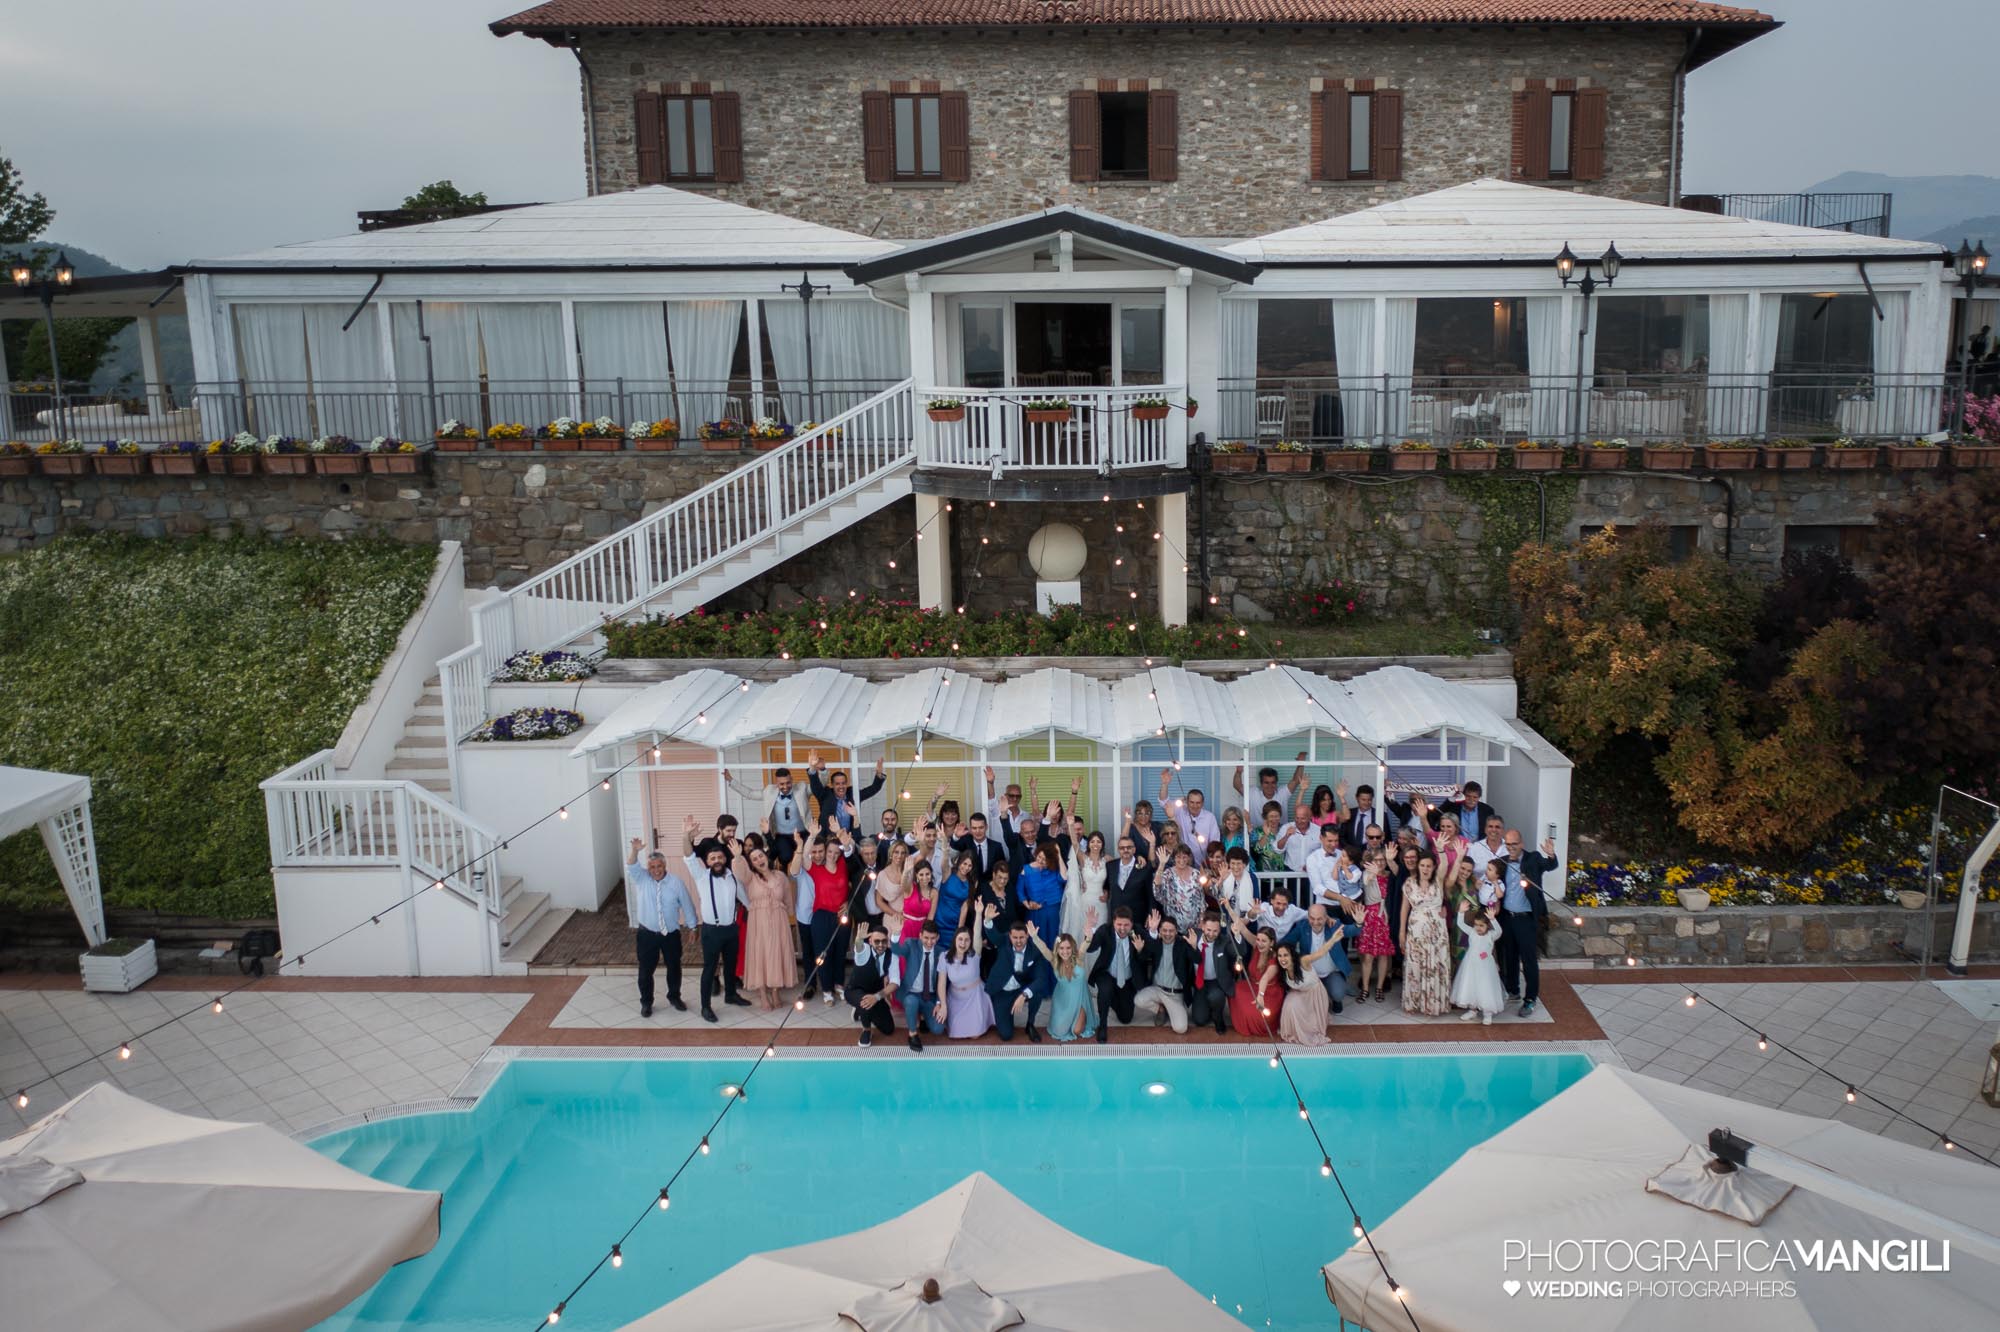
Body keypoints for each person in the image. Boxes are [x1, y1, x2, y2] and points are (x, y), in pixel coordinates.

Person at [681, 817, 752, 1022]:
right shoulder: (701, 876)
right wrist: (686, 836)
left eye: (720, 857)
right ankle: (705, 1007)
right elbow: (688, 855)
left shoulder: (732, 876)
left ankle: (730, 995)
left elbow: (746, 900)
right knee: (709, 968)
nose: (717, 861)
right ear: (708, 861)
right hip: (711, 931)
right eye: (712, 859)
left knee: (730, 965)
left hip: (731, 930)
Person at [626, 838, 696, 1017]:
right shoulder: (642, 879)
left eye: (659, 866)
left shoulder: (676, 882)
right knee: (645, 971)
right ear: (648, 868)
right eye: (652, 867)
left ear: (665, 866)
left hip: (670, 934)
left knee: (674, 967)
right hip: (647, 934)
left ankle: (674, 997)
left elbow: (687, 905)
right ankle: (646, 1002)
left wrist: (693, 927)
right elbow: (632, 865)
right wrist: (635, 851)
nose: (656, 870)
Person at [1497, 829, 1562, 1018]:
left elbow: (1550, 865)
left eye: (1514, 844)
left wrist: (1551, 854)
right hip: (1507, 918)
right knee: (1509, 957)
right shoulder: (1502, 862)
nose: (1511, 848)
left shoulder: (1532, 859)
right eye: (1508, 844)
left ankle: (1530, 999)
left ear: (1522, 844)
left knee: (1529, 961)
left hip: (1526, 919)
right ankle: (1513, 990)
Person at [737, 820, 802, 1009]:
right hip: (759, 924)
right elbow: (739, 871)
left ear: (766, 855)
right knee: (761, 955)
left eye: (760, 856)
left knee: (776, 954)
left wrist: (791, 919)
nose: (758, 860)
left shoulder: (780, 876)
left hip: (779, 922)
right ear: (752, 864)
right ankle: (763, 993)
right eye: (754, 859)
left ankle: (775, 991)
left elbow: (788, 900)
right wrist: (737, 857)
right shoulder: (750, 879)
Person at [722, 765, 811, 869]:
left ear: (792, 779)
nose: (785, 786)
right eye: (781, 784)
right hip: (782, 835)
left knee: (808, 857)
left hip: (803, 832)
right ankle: (783, 876)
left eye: (788, 782)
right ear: (776, 783)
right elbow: (750, 794)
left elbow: (819, 786)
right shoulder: (769, 791)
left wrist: (816, 770)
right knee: (784, 857)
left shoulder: (802, 788)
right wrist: (731, 780)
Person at [1398, 848, 1452, 1018]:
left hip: (1437, 933)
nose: (1425, 869)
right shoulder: (1409, 883)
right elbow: (1404, 908)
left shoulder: (1438, 881)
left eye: (1429, 866)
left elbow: (1444, 865)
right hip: (1416, 932)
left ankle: (1434, 1003)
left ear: (1433, 867)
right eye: (1422, 865)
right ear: (1418, 866)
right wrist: (1401, 932)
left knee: (1436, 966)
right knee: (1416, 966)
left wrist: (1442, 850)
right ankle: (1415, 1002)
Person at [805, 829, 855, 1006]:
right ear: (824, 852)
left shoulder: (842, 864)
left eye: (836, 852)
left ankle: (838, 984)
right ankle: (826, 990)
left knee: (840, 952)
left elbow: (850, 850)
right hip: (821, 916)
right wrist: (811, 836)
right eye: (830, 852)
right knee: (823, 954)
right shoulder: (816, 869)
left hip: (841, 916)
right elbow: (804, 857)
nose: (833, 855)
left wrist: (847, 903)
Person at [1283, 899, 1359, 1013]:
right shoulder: (1302, 927)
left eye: (1319, 919)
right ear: (1308, 917)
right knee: (1308, 1006)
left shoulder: (1333, 924)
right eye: (1312, 918)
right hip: (1309, 974)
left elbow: (1350, 931)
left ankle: (1336, 998)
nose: (1315, 922)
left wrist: (1358, 923)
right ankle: (1320, 995)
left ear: (1326, 917)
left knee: (1338, 993)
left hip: (1331, 973)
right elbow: (1287, 942)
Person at [1086, 907, 1149, 1044]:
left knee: (1126, 1018)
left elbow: (1150, 954)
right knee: (1105, 991)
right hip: (1106, 974)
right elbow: (1090, 949)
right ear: (1113, 922)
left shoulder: (1136, 932)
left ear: (1131, 924)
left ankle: (1112, 998)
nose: (1122, 928)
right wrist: (1090, 930)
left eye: (1126, 925)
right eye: (1119, 924)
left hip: (1127, 979)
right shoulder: (1105, 931)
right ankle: (1102, 1025)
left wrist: (1141, 950)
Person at [1130, 910, 1196, 1034]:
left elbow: (1196, 958)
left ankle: (1169, 1009)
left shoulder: (1182, 944)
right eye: (1164, 930)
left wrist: (1193, 947)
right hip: (1157, 990)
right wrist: (1140, 949)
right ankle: (1160, 1009)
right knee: (1138, 999)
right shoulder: (1157, 944)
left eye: (1171, 931)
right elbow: (1145, 955)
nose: (1167, 934)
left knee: (1181, 1028)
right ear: (1160, 931)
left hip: (1175, 995)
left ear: (1176, 931)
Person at [1027, 924, 1095, 1041]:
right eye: (1062, 948)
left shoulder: (1079, 957)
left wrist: (1089, 937)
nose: (1065, 951)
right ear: (1057, 949)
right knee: (1059, 1031)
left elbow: (1085, 945)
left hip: (1080, 998)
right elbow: (1043, 949)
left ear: (1072, 948)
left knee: (1077, 1031)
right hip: (1063, 999)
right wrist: (1035, 937)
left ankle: (1084, 1015)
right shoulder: (1054, 961)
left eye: (1068, 948)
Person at [984, 917, 1047, 1042]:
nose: (1018, 941)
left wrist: (1024, 995)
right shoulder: (1004, 941)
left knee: (1037, 992)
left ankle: (1030, 1024)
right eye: (1015, 937)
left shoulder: (1035, 950)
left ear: (1027, 936)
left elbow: (1041, 978)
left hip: (1020, 989)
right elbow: (993, 935)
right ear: (1009, 936)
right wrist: (987, 920)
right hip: (1001, 991)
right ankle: (1007, 1013)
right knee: (1006, 1035)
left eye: (1022, 937)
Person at [1226, 914, 1285, 1038]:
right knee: (1234, 989)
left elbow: (1265, 978)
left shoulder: (1274, 958)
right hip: (1252, 986)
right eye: (1258, 939)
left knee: (1258, 1015)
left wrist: (1260, 996)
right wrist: (1228, 907)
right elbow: (1242, 927)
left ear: (1272, 942)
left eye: (1264, 941)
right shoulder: (1256, 946)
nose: (1260, 943)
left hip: (1269, 992)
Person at [940, 909, 995, 1039]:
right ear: (955, 940)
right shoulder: (944, 956)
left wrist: (979, 913)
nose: (963, 943)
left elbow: (977, 933)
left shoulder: (974, 954)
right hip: (955, 997)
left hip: (975, 996)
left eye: (966, 940)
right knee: (955, 1034)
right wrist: (943, 1004)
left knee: (975, 1036)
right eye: (960, 939)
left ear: (971, 942)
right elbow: (941, 984)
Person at [1275, 937, 1340, 1047]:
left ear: (1292, 956)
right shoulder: (1282, 969)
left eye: (1286, 955)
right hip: (1300, 993)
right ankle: (1292, 1031)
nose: (1282, 959)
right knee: (1289, 1003)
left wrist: (1333, 939)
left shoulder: (1303, 961)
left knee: (1312, 1027)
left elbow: (1320, 953)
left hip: (1315, 995)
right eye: (1280, 956)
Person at [895, 920, 949, 1050]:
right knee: (912, 1002)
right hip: (911, 993)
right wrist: (896, 934)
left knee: (938, 1029)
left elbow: (942, 983)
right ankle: (912, 1034)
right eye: (926, 938)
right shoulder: (911, 944)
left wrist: (939, 1003)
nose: (929, 942)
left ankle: (924, 1015)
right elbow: (897, 950)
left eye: (933, 938)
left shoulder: (942, 953)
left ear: (938, 937)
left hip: (929, 996)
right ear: (920, 936)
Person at [1452, 904, 1508, 1024]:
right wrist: (1461, 912)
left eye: (1481, 925)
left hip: (1485, 967)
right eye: (1476, 925)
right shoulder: (1472, 932)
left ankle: (1487, 1013)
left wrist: (1493, 919)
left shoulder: (1491, 935)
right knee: (1471, 985)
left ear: (1488, 926)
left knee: (1485, 987)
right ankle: (1472, 1010)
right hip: (1471, 965)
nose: (1478, 928)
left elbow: (1499, 931)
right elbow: (1460, 924)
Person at [1187, 909, 1241, 1033]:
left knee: (1216, 997)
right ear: (1202, 926)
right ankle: (1206, 1007)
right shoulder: (1193, 935)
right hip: (1199, 982)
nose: (1211, 934)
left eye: (1215, 931)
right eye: (1209, 930)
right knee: (1200, 1020)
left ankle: (1218, 1015)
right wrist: (1193, 947)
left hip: (1216, 982)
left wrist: (1237, 936)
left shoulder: (1224, 940)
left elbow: (1239, 952)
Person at [808, 752, 885, 834]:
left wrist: (879, 774)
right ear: (832, 785)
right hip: (829, 839)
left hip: (849, 838)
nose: (841, 786)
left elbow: (873, 789)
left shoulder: (852, 794)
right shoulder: (826, 794)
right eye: (837, 784)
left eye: (843, 783)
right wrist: (812, 769)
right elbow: (816, 787)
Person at [1355, 850, 1396, 1002]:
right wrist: (1373, 872)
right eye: (1377, 860)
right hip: (1371, 916)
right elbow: (1367, 881)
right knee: (1368, 956)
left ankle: (1379, 987)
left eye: (1382, 860)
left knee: (1383, 955)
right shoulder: (1366, 873)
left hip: (1384, 916)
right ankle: (1365, 988)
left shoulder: (1389, 875)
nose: (1380, 863)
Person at [847, 926, 898, 1048]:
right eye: (877, 941)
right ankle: (867, 1030)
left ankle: (860, 1012)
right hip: (855, 990)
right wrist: (859, 939)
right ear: (870, 941)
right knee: (865, 1002)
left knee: (888, 1029)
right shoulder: (864, 951)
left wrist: (877, 996)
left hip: (876, 993)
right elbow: (858, 948)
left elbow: (895, 982)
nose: (881, 945)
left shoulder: (892, 956)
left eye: (884, 941)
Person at [1061, 829, 1109, 942]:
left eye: (1098, 841)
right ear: (1088, 844)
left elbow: (1118, 869)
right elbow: (1074, 843)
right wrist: (1070, 825)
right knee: (1085, 932)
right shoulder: (1083, 859)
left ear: (1102, 844)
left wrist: (1108, 891)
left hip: (1101, 902)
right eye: (1092, 841)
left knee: (1099, 931)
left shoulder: (1107, 859)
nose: (1095, 844)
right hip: (1085, 900)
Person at [1016, 839, 1066, 943]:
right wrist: (1027, 904)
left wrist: (1059, 854)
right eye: (1039, 857)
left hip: (1053, 911)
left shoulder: (1054, 869)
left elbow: (1064, 878)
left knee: (1054, 939)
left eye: (1044, 859)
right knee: (1037, 940)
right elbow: (1020, 891)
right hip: (1036, 911)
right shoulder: (1026, 869)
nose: (1040, 861)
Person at [1159, 771, 1222, 851]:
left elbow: (1215, 842)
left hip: (1203, 862)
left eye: (1198, 803)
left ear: (1202, 803)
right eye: (1192, 802)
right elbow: (1164, 802)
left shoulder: (1210, 817)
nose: (1195, 806)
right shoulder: (1180, 811)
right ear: (1186, 802)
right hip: (1182, 860)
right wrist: (1164, 784)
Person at [1152, 844, 1205, 935]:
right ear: (1174, 858)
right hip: (1173, 927)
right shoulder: (1168, 874)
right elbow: (1157, 890)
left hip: (1194, 927)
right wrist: (1161, 864)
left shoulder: (1196, 874)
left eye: (1184, 857)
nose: (1181, 860)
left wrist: (1201, 920)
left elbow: (1201, 899)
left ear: (1189, 858)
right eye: (1178, 857)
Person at [1104, 832, 1155, 924]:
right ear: (1118, 850)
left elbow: (1151, 895)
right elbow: (1106, 886)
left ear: (1134, 849)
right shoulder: (1110, 866)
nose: (1125, 850)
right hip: (1116, 918)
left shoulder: (1145, 868)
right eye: (1122, 848)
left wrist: (1150, 914)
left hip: (1138, 917)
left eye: (1129, 847)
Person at [1233, 755, 1307, 811]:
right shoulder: (1254, 793)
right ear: (1261, 783)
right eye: (1266, 783)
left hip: (1280, 831)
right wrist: (1238, 772)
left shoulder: (1282, 793)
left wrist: (1301, 763)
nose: (1270, 786)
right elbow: (1237, 786)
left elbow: (1296, 781)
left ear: (1276, 783)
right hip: (1257, 831)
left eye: (1273, 782)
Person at [1343, 782, 1400, 853]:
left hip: (1374, 855)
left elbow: (1387, 838)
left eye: (1369, 800)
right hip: (1351, 855)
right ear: (1357, 798)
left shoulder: (1381, 815)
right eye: (1363, 800)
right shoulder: (1349, 814)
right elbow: (1342, 837)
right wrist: (1349, 850)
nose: (1366, 803)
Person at [952, 811, 1007, 883]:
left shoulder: (996, 847)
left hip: (990, 886)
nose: (978, 831)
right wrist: (956, 836)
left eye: (981, 827)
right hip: (969, 886)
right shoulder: (965, 842)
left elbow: (1002, 868)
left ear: (986, 827)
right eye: (974, 828)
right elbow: (954, 847)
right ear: (970, 829)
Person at [936, 850, 976, 943]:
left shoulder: (970, 883)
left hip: (954, 925)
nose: (966, 868)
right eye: (964, 863)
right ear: (959, 862)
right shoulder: (948, 874)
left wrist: (959, 931)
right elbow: (944, 861)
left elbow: (964, 908)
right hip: (939, 921)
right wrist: (944, 845)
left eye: (970, 865)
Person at [898, 860, 939, 943]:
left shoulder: (934, 892)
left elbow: (930, 917)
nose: (924, 878)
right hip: (906, 926)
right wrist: (906, 871)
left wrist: (926, 935)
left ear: (931, 874)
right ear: (916, 875)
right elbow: (902, 885)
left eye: (927, 874)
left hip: (922, 929)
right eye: (921, 874)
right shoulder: (910, 887)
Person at [1213, 844, 1258, 917]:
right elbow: (1216, 895)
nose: (1236, 867)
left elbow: (1256, 900)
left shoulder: (1252, 877)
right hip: (1228, 920)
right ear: (1229, 864)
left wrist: (1243, 922)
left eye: (1238, 863)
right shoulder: (1225, 875)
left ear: (1244, 864)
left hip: (1247, 920)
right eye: (1233, 863)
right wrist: (1221, 879)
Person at [1275, 801, 1319, 875]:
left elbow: (1323, 852)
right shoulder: (1286, 827)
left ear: (1310, 817)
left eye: (1303, 818)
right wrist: (1286, 836)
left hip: (1311, 873)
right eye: (1297, 818)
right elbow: (1277, 849)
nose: (1299, 821)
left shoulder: (1318, 831)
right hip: (1291, 872)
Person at [1249, 800, 1289, 875]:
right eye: (1271, 816)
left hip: (1283, 875)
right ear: (1265, 817)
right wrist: (1266, 835)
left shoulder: (1284, 829)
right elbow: (1257, 850)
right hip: (1264, 877)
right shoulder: (1258, 831)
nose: (1274, 819)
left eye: (1276, 816)